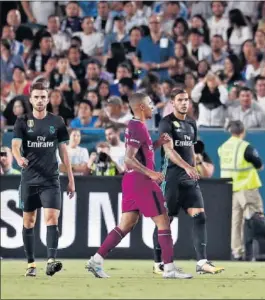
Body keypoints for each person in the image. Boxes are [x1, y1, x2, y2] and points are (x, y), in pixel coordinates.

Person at [85, 92, 192, 279]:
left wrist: (159, 142)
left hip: (131, 181)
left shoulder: (137, 126)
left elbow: (143, 152)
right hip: (142, 181)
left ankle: (96, 260)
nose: (152, 106)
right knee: (163, 222)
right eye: (150, 103)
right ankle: (169, 269)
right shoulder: (137, 127)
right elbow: (128, 159)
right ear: (141, 107)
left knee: (126, 224)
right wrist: (151, 173)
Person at [152, 88, 224, 275]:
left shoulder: (191, 123)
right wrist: (186, 166)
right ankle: (158, 263)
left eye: (187, 100)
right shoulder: (165, 124)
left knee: (200, 216)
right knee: (165, 221)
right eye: (180, 100)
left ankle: (201, 262)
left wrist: (193, 166)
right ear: (172, 103)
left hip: (188, 178)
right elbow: (168, 151)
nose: (184, 103)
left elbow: (190, 149)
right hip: (171, 178)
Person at [11, 82, 75, 277]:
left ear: (48, 99)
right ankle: (31, 264)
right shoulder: (22, 121)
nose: (39, 100)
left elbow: (64, 151)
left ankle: (51, 261)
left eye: (43, 97)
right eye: (36, 97)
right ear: (31, 99)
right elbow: (15, 145)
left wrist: (71, 178)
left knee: (52, 218)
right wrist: (19, 157)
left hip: (51, 179)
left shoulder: (57, 122)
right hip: (29, 179)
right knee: (29, 221)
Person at [218, 120, 265, 261]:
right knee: (253, 219)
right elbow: (259, 165)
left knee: (236, 222)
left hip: (230, 189)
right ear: (243, 131)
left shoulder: (223, 147)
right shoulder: (245, 146)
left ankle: (237, 252)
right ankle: (250, 253)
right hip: (246, 188)